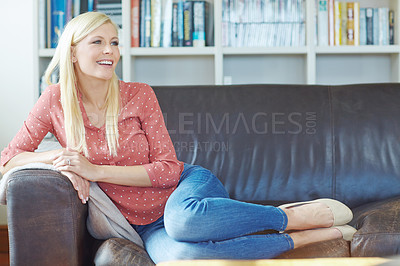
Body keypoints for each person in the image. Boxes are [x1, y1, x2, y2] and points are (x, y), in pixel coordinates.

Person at [0, 12, 356, 263]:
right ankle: (299, 239)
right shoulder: (55, 100)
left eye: (114, 43)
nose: (110, 51)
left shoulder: (138, 94)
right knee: (184, 257)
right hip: (144, 226)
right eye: (98, 42)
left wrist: (94, 170)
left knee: (184, 221)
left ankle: (286, 217)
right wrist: (59, 156)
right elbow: (8, 159)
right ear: (73, 51)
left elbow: (168, 169)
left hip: (184, 193)